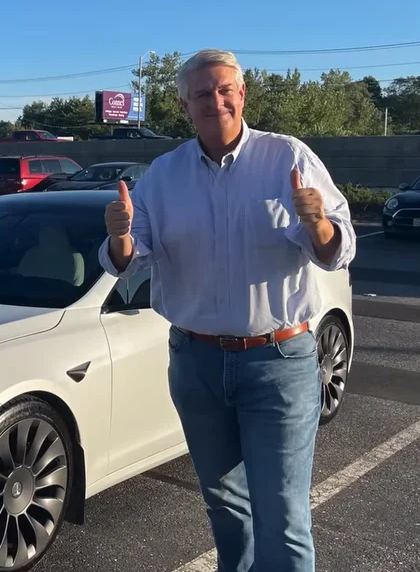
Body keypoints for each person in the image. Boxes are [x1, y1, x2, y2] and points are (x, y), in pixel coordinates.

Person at [98, 49, 355, 572]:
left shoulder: (288, 158)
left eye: (223, 90)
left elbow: (339, 250)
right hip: (195, 363)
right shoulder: (164, 176)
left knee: (282, 517)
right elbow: (126, 259)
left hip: (278, 362)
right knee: (226, 507)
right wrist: (120, 234)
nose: (214, 101)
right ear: (184, 106)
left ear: (241, 94)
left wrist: (318, 224)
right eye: (200, 94)